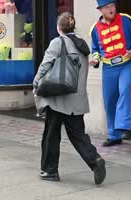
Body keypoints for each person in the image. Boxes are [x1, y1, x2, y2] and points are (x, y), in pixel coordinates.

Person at [33, 12, 106, 184]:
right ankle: (95, 161)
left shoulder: (58, 42)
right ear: (73, 27)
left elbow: (45, 66)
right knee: (78, 135)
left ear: (59, 28)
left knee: (51, 134)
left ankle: (49, 171)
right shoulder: (82, 45)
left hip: (58, 98)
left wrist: (36, 83)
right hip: (77, 99)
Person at [89, 0, 131, 146]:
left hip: (126, 64)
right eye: (107, 7)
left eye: (112, 5)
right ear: (101, 10)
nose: (111, 9)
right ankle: (114, 135)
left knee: (124, 90)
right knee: (109, 100)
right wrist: (95, 59)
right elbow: (96, 49)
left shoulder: (126, 20)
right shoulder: (95, 29)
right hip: (108, 68)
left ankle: (124, 127)